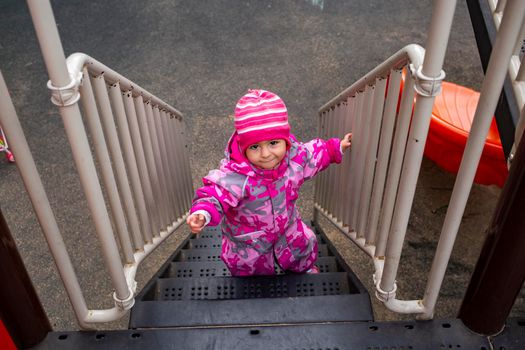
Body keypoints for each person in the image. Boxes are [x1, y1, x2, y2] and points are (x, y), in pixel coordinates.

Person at [186, 89, 351, 276]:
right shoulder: (236, 175)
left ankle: (304, 269)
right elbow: (215, 192)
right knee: (249, 267)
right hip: (250, 241)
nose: (265, 154)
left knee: (302, 246)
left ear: (285, 140)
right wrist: (203, 211)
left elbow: (314, 154)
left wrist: (336, 147)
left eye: (273, 143)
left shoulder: (294, 158)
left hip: (287, 228)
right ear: (243, 147)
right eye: (255, 147)